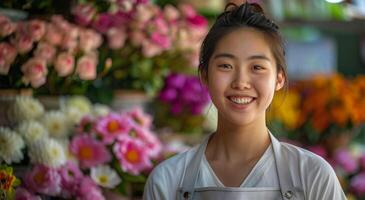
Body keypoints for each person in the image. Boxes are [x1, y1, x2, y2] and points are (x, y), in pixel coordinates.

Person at [143, 2, 347, 200]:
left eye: (257, 67)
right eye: (226, 66)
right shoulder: (168, 180)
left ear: (279, 79)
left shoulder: (313, 175)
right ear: (204, 75)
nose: (241, 82)